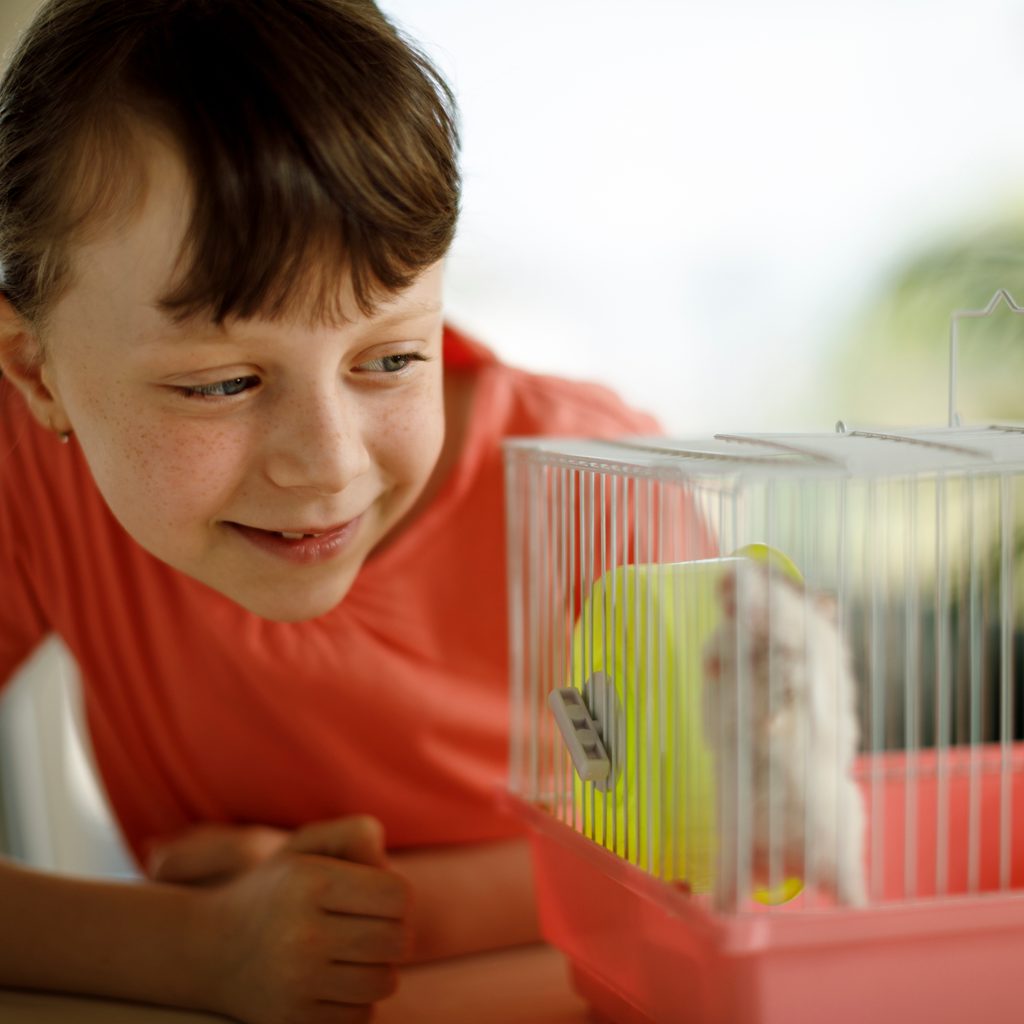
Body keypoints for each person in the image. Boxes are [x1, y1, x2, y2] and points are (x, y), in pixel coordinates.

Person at [0, 2, 662, 1021]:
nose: (327, 466)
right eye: (220, 383)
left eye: (391, 359)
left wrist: (364, 912)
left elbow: (743, 847)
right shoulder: (28, 472)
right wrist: (198, 948)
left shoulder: (605, 484)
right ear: (35, 370)